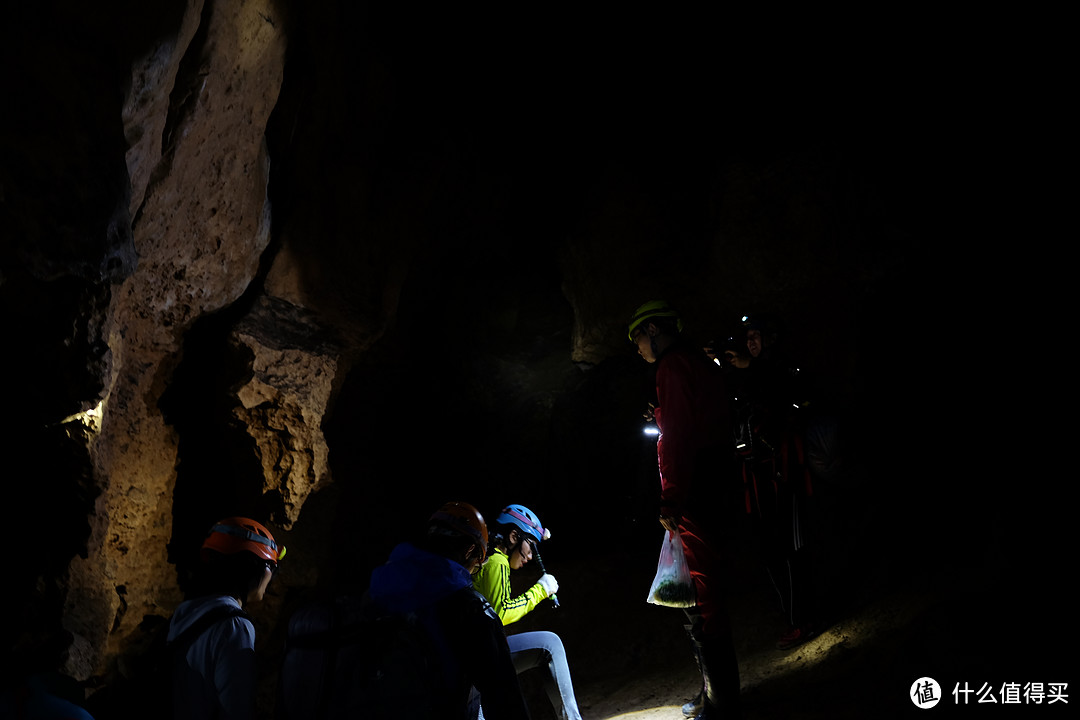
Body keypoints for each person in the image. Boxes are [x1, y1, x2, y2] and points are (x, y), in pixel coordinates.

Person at [628, 300, 742, 720]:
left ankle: (721, 704)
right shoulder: (698, 361)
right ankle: (715, 696)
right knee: (707, 592)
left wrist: (671, 499)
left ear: (653, 329)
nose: (638, 348)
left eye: (638, 338)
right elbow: (700, 419)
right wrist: (661, 410)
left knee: (703, 596)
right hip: (718, 481)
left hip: (696, 489)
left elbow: (677, 437)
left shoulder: (672, 367)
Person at [365, 501, 530, 720]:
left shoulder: (374, 590)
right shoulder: (469, 608)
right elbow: (505, 700)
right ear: (471, 550)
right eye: (477, 563)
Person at [729, 313, 821, 651]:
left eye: (756, 335)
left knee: (793, 549)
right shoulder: (752, 375)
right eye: (747, 336)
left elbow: (783, 404)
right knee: (771, 551)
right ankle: (794, 619)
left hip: (785, 473)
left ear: (771, 337)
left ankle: (805, 620)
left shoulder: (782, 370)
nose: (750, 342)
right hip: (759, 476)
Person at [472, 504, 583, 720]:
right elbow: (501, 614)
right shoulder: (496, 562)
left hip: (471, 657)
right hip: (480, 658)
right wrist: (539, 591)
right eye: (530, 546)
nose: (530, 556)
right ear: (513, 536)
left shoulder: (491, 558)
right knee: (550, 645)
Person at [169, 516, 284, 720]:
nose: (272, 577)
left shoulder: (186, 611)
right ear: (253, 567)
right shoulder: (235, 625)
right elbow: (236, 709)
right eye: (271, 567)